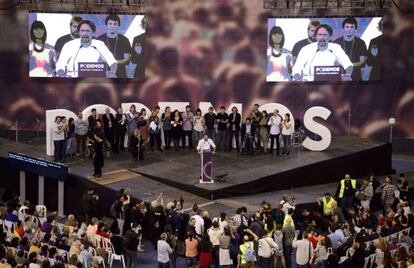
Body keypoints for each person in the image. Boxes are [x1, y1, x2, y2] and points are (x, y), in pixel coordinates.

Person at [97, 14, 131, 78]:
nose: (112, 26)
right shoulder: (99, 40)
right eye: (110, 24)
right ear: (106, 25)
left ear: (118, 25)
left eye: (115, 24)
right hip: (103, 74)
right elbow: (96, 59)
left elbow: (127, 59)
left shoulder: (124, 40)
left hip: (120, 75)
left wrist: (114, 62)